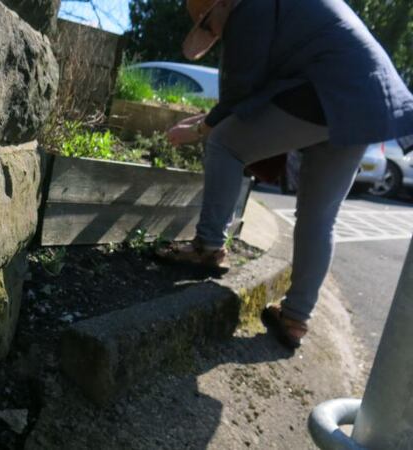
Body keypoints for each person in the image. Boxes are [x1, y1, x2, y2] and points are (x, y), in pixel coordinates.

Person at [160, 0, 413, 349]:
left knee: (224, 145)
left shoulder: (249, 7)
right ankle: (295, 318)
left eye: (208, 24)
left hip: (329, 88)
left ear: (220, 5)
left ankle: (208, 247)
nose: (216, 33)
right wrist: (208, 121)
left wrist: (202, 129)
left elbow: (241, 91)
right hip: (365, 101)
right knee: (319, 217)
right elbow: (257, 93)